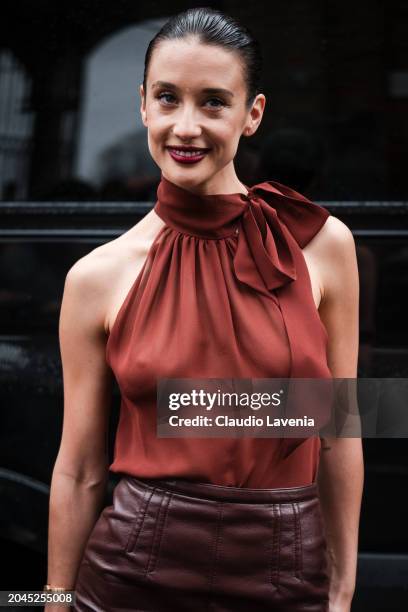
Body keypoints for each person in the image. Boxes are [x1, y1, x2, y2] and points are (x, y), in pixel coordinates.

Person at [45, 7, 363, 612]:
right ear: (144, 105)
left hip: (286, 572)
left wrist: (343, 589)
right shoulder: (96, 277)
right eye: (168, 98)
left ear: (253, 115)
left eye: (213, 102)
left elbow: (339, 434)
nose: (185, 127)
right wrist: (51, 602)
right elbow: (80, 468)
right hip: (128, 575)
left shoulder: (322, 246)